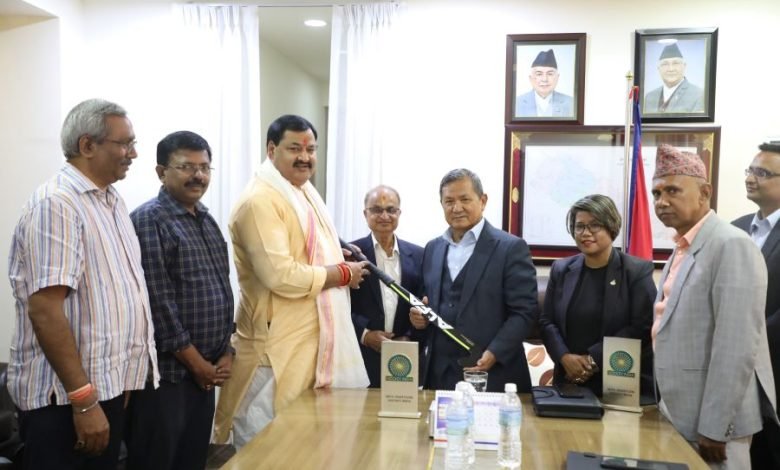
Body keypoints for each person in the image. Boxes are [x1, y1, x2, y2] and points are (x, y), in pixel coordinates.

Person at [7, 98, 159, 469]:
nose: (133, 153)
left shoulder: (110, 201)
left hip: (103, 391)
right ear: (87, 145)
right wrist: (85, 400)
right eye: (124, 143)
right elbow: (45, 310)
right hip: (65, 402)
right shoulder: (57, 204)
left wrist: (119, 384)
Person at [213, 115, 370, 448]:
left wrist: (333, 252)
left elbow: (302, 249)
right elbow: (279, 275)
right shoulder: (260, 200)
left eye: (311, 149)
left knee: (306, 446)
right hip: (274, 348)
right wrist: (342, 273)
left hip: (307, 342)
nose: (305, 157)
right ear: (272, 150)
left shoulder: (300, 193)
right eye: (294, 148)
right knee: (266, 445)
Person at [651, 144, 777, 468]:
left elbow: (736, 346)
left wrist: (716, 426)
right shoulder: (683, 245)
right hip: (678, 409)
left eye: (673, 190)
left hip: (713, 426)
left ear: (704, 193)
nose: (661, 202)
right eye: (656, 193)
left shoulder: (731, 244)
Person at [125, 131, 234, 469]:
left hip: (204, 374)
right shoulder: (149, 220)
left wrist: (226, 351)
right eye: (187, 167)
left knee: (192, 461)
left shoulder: (206, 220)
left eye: (204, 167)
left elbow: (221, 290)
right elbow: (158, 304)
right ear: (161, 172)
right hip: (168, 377)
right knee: (158, 460)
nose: (198, 175)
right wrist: (198, 364)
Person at [410, 169, 537, 393]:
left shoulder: (511, 248)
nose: (456, 208)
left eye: (465, 199)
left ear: (483, 200)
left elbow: (524, 312)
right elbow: (426, 301)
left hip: (493, 373)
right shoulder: (432, 248)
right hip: (438, 375)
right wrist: (419, 317)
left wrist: (495, 352)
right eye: (449, 201)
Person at [539, 194, 656, 398]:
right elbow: (547, 321)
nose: (585, 233)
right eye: (579, 226)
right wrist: (565, 358)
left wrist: (592, 360)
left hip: (619, 380)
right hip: (569, 378)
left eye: (594, 225)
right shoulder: (561, 269)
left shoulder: (636, 271)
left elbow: (642, 326)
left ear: (611, 227)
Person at [732, 140, 780, 469]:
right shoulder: (734, 228)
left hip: (774, 364)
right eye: (750, 170)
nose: (750, 178)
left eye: (762, 173)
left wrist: (750, 340)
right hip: (735, 370)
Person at [350, 185, 424, 388]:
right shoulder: (349, 253)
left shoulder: (419, 255)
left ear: (399, 213)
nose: (384, 216)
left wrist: (409, 336)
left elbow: (423, 303)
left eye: (391, 210)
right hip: (361, 356)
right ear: (365, 214)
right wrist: (365, 335)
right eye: (376, 209)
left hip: (405, 357)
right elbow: (338, 306)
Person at [644, 43, 704, 114]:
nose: (671, 69)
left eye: (675, 63)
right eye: (665, 64)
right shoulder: (649, 97)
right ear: (658, 69)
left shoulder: (698, 95)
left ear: (684, 66)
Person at [515, 49, 574, 118]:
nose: (544, 79)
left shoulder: (571, 103)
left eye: (550, 74)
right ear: (531, 78)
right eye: (539, 74)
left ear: (557, 78)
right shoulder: (517, 103)